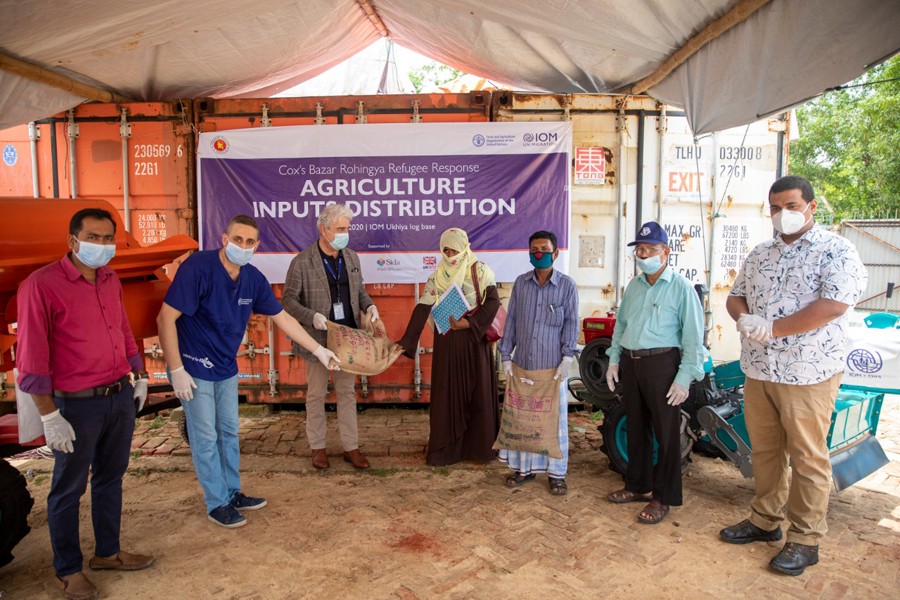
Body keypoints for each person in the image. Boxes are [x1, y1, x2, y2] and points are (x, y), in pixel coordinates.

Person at [719, 175, 867, 575]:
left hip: (808, 372)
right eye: (775, 207)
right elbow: (736, 295)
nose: (782, 214)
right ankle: (765, 520)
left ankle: (805, 538)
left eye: (791, 205)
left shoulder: (836, 250)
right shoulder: (760, 252)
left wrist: (775, 328)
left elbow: (835, 304)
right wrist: (745, 317)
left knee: (807, 456)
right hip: (760, 369)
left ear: (811, 207)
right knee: (765, 452)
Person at [157, 214, 339, 528]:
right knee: (205, 437)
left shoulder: (252, 279)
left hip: (226, 367)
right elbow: (165, 318)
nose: (243, 246)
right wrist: (176, 369)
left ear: (257, 245)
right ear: (224, 239)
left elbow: (284, 319)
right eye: (237, 240)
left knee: (228, 432)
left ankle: (231, 491)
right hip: (194, 367)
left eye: (250, 242)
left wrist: (319, 350)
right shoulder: (197, 269)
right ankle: (216, 503)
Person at [16, 208, 154, 600]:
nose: (103, 246)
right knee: (67, 489)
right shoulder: (40, 286)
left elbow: (123, 330)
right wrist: (50, 415)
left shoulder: (110, 279)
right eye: (94, 237)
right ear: (72, 241)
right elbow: (31, 359)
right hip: (74, 407)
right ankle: (68, 570)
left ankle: (108, 552)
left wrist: (139, 373)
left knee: (110, 478)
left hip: (117, 397)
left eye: (109, 238)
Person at [604, 221, 704, 524]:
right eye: (640, 250)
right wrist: (613, 359)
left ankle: (664, 496)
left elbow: (693, 337)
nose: (644, 254)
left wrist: (684, 377)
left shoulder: (681, 288)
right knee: (636, 427)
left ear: (666, 252)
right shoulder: (634, 286)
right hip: (632, 364)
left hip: (663, 365)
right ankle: (638, 486)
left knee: (667, 433)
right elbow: (621, 325)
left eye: (651, 249)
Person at [281, 203, 378, 471]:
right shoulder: (302, 261)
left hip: (348, 339)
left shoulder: (352, 258)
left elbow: (359, 292)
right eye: (340, 229)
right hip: (317, 341)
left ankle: (351, 447)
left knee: (347, 393)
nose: (346, 233)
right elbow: (287, 300)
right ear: (323, 229)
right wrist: (311, 316)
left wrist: (369, 306)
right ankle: (318, 448)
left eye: (347, 228)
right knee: (316, 395)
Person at [397, 228, 500, 466]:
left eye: (454, 249)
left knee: (478, 392)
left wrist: (470, 323)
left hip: (474, 341)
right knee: (447, 394)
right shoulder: (437, 276)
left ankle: (478, 448)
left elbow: (493, 302)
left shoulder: (480, 270)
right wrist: (407, 342)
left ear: (464, 247)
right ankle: (447, 450)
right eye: (446, 250)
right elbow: (423, 307)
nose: (450, 254)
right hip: (448, 342)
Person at [498, 230, 579, 495]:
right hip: (523, 365)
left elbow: (571, 323)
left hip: (552, 369)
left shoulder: (567, 286)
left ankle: (557, 474)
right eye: (534, 249)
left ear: (555, 254)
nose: (539, 254)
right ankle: (524, 470)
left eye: (544, 249)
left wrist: (568, 357)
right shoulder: (521, 284)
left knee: (552, 422)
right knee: (523, 420)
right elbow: (511, 320)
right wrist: (506, 355)